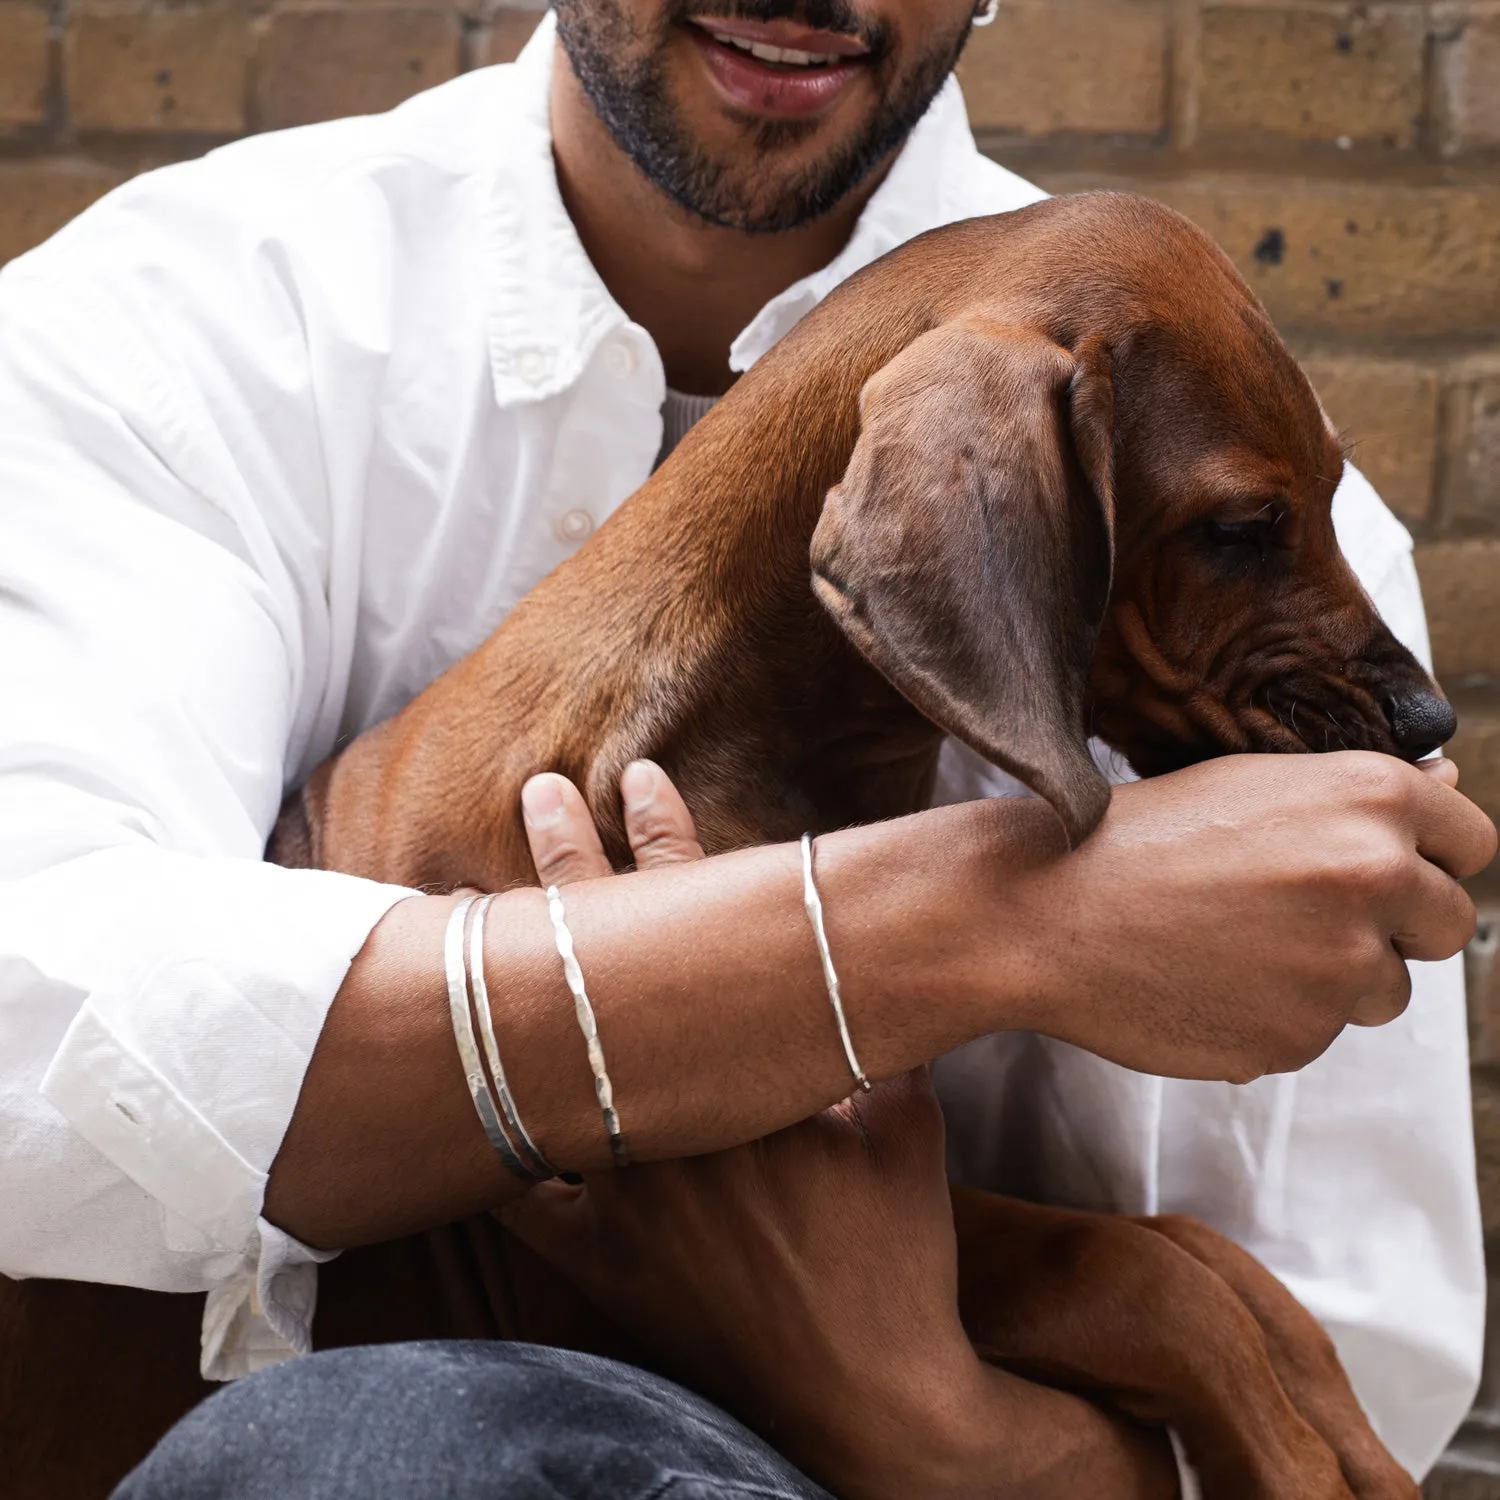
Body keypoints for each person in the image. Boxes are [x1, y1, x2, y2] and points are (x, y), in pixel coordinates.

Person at [0, 1, 1492, 1496]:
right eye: (1240, 541)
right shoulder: (160, 334)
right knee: (382, 1447)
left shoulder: (1221, 457)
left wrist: (922, 1423)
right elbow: (43, 1043)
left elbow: (1368, 1374)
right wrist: (1009, 919)